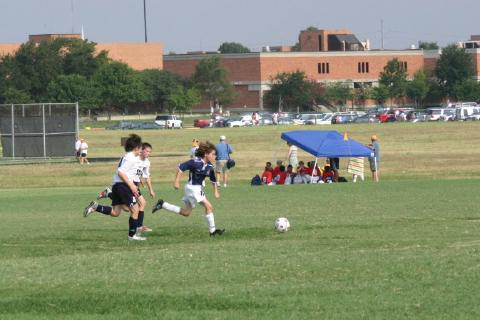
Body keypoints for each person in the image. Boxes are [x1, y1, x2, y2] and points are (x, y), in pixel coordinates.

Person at [151, 141, 225, 237]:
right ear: (206, 154)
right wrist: (176, 181)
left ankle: (163, 204)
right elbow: (181, 168)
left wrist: (216, 191)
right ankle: (212, 231)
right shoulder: (195, 162)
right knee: (209, 207)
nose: (214, 156)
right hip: (192, 188)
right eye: (213, 154)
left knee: (186, 213)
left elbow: (213, 180)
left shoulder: (210, 166)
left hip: (194, 189)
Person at [83, 134, 145, 241]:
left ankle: (95, 207)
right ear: (136, 147)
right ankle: (132, 236)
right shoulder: (131, 158)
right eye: (140, 147)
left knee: (116, 212)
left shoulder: (127, 156)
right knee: (135, 210)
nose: (141, 150)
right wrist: (131, 185)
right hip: (123, 186)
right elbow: (120, 172)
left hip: (116, 185)